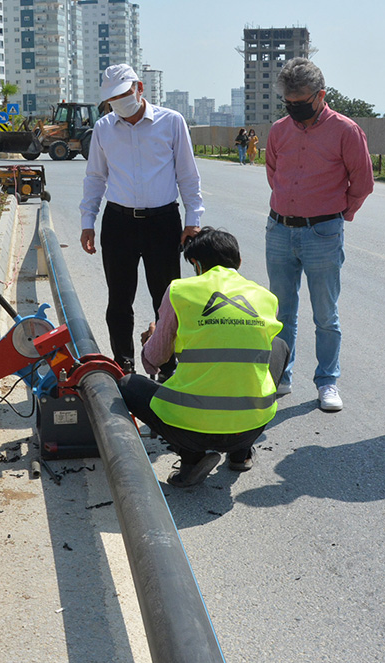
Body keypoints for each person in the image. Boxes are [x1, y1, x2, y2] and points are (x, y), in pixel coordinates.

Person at [118, 227, 287, 488]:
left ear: (196, 264)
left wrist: (153, 338)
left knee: (128, 384)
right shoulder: (265, 297)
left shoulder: (180, 291)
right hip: (250, 426)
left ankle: (192, 456)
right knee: (278, 346)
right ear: (239, 262)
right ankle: (240, 453)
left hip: (190, 429)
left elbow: (154, 359)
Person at [80, 63, 204, 376]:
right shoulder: (104, 128)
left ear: (139, 89)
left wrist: (193, 219)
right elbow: (95, 177)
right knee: (119, 299)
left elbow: (188, 175)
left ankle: (166, 364)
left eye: (124, 94)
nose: (119, 102)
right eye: (113, 98)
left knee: (167, 298)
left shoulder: (171, 122)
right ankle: (125, 365)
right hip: (118, 222)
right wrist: (87, 221)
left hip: (162, 222)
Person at [264, 57, 374, 411]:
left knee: (325, 313)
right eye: (289, 102)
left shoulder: (345, 130)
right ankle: (281, 377)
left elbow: (362, 181)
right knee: (281, 311)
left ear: (321, 95)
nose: (295, 108)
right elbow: (273, 171)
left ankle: (327, 381)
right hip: (280, 229)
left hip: (322, 231)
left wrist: (340, 216)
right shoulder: (280, 129)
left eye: (301, 102)